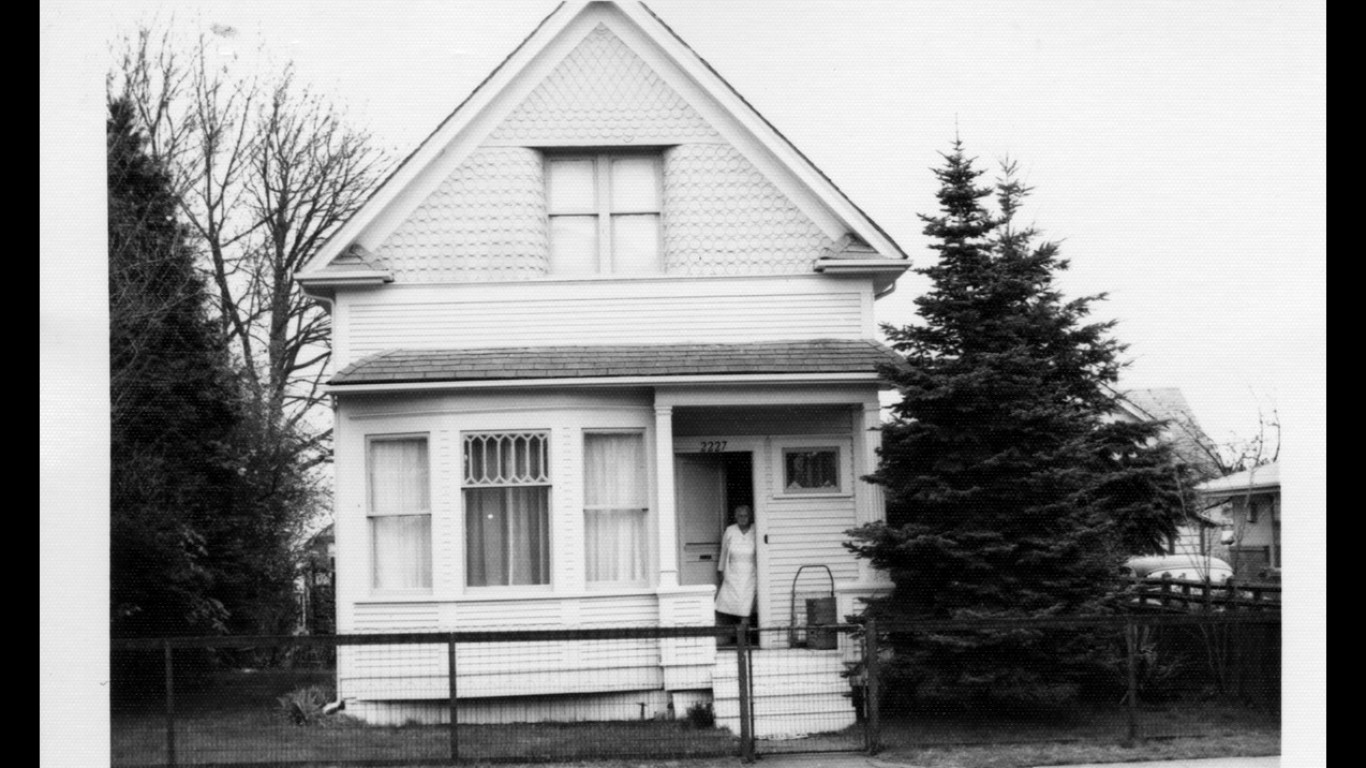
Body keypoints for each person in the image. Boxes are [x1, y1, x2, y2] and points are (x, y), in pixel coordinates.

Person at [715, 505, 757, 641]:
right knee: (729, 605)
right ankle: (733, 637)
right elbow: (724, 552)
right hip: (733, 572)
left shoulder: (756, 529)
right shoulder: (730, 531)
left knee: (746, 608)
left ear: (750, 516)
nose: (742, 518)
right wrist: (721, 570)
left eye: (745, 515)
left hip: (751, 573)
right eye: (740, 516)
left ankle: (743, 639)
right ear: (736, 517)